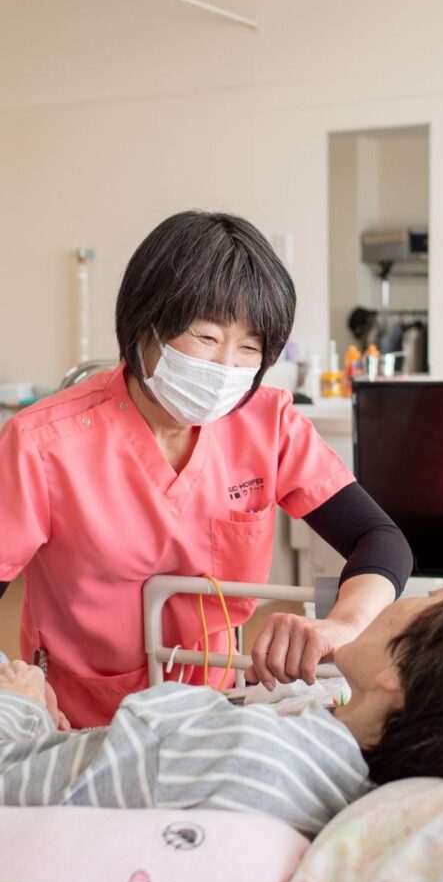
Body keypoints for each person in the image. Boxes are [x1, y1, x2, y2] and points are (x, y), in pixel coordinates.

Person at [0, 210, 413, 728]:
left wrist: (344, 624)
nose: (226, 367)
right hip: (81, 720)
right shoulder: (43, 443)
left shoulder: (267, 423)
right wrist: (14, 691)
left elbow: (380, 539)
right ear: (145, 323)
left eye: (250, 346)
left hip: (216, 705)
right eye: (206, 337)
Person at [0, 579, 443, 837]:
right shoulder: (366, 766)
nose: (408, 597)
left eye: (433, 596)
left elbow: (10, 780)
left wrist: (21, 705)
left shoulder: (236, 755)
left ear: (396, 677)